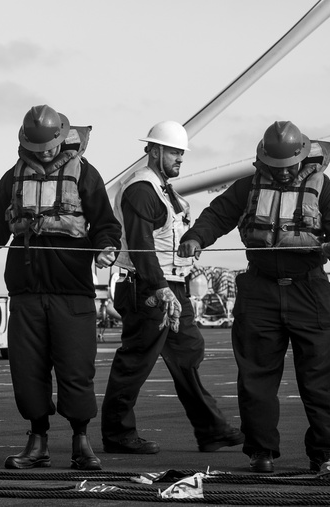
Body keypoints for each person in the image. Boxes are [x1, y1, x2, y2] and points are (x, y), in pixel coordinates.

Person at [177, 121, 330, 474]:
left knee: (321, 379)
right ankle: (261, 452)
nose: (283, 174)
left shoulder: (325, 189)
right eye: (275, 168)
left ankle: (325, 454)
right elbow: (217, 215)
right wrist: (197, 237)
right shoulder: (248, 187)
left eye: (288, 168)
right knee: (255, 378)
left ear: (302, 157)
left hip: (310, 289)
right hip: (259, 289)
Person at [0, 105, 120, 471]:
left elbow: (105, 224)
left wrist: (107, 249)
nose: (46, 153)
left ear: (60, 138)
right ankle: (37, 442)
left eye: (50, 147)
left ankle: (81, 441)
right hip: (26, 291)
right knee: (27, 369)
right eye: (38, 148)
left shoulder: (85, 173)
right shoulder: (13, 176)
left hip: (72, 293)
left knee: (75, 369)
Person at [100, 121, 243, 455]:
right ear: (154, 151)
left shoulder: (163, 189)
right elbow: (140, 245)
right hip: (150, 290)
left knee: (188, 353)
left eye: (181, 152)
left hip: (171, 288)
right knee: (135, 361)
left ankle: (211, 430)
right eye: (175, 152)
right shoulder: (141, 190)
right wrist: (160, 287)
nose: (180, 159)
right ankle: (117, 434)